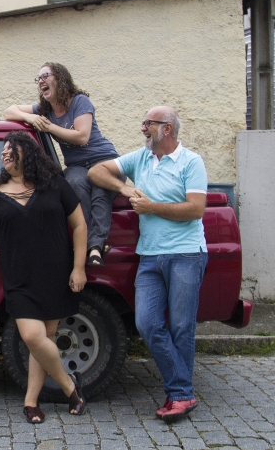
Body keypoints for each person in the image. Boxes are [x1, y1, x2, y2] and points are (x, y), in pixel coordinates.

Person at [88, 106, 208, 423]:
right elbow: (96, 171)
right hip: (150, 256)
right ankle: (183, 391)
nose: (143, 128)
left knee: (181, 327)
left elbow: (195, 209)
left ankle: (179, 395)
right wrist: (124, 187)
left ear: (166, 129)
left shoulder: (191, 162)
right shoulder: (139, 159)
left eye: (148, 124)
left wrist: (152, 207)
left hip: (186, 254)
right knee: (147, 323)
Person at [0, 131, 88, 424]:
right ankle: (69, 387)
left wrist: (78, 268)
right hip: (19, 277)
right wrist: (9, 243)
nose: (5, 154)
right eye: (3, 150)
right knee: (33, 336)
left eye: (11, 149)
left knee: (44, 339)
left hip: (55, 273)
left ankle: (31, 402)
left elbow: (80, 224)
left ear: (28, 153)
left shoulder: (54, 184)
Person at [4, 62, 121, 266]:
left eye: (45, 76)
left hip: (103, 159)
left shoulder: (79, 102)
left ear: (60, 78)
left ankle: (94, 247)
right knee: (74, 186)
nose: (40, 81)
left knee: (101, 194)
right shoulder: (45, 109)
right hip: (77, 165)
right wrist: (29, 117)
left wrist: (48, 127)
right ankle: (88, 245)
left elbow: (82, 137)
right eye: (38, 78)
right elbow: (9, 111)